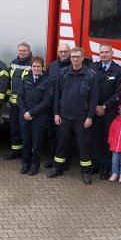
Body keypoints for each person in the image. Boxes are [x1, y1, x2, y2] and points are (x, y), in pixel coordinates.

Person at [49, 47, 98, 185]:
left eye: (77, 56)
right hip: (64, 115)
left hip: (82, 117)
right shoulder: (63, 73)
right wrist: (56, 113)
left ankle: (86, 172)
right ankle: (58, 168)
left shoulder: (91, 75)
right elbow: (57, 95)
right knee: (61, 143)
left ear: (83, 57)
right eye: (73, 57)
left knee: (84, 145)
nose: (75, 59)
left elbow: (93, 98)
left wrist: (90, 117)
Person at [90, 43, 121, 180]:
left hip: (108, 111)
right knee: (94, 138)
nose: (103, 54)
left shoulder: (119, 70)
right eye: (101, 52)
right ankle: (95, 164)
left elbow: (119, 92)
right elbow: (88, 88)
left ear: (112, 53)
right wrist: (94, 107)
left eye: (106, 52)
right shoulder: (93, 67)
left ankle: (105, 167)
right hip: (93, 109)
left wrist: (104, 107)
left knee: (106, 139)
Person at [17, 56, 53, 176]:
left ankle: (34, 166)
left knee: (37, 143)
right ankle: (25, 164)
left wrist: (31, 113)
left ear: (42, 68)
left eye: (38, 66)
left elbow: (46, 102)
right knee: (26, 141)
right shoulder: (25, 79)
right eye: (34, 66)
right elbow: (20, 98)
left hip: (39, 118)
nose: (36, 68)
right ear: (31, 67)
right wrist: (25, 112)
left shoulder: (47, 82)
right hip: (25, 117)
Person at [44, 43, 71, 169]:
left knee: (65, 136)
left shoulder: (74, 66)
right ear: (57, 52)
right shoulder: (52, 66)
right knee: (52, 135)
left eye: (65, 51)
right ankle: (52, 157)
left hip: (66, 107)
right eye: (61, 51)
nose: (63, 54)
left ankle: (65, 161)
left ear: (69, 52)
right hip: (52, 107)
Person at [7, 42, 33, 160]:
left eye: (24, 51)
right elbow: (9, 82)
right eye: (20, 50)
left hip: (26, 105)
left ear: (29, 52)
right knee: (14, 127)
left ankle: (26, 152)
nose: (22, 52)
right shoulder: (13, 63)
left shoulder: (34, 64)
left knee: (25, 129)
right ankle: (15, 150)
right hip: (14, 103)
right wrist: (8, 99)